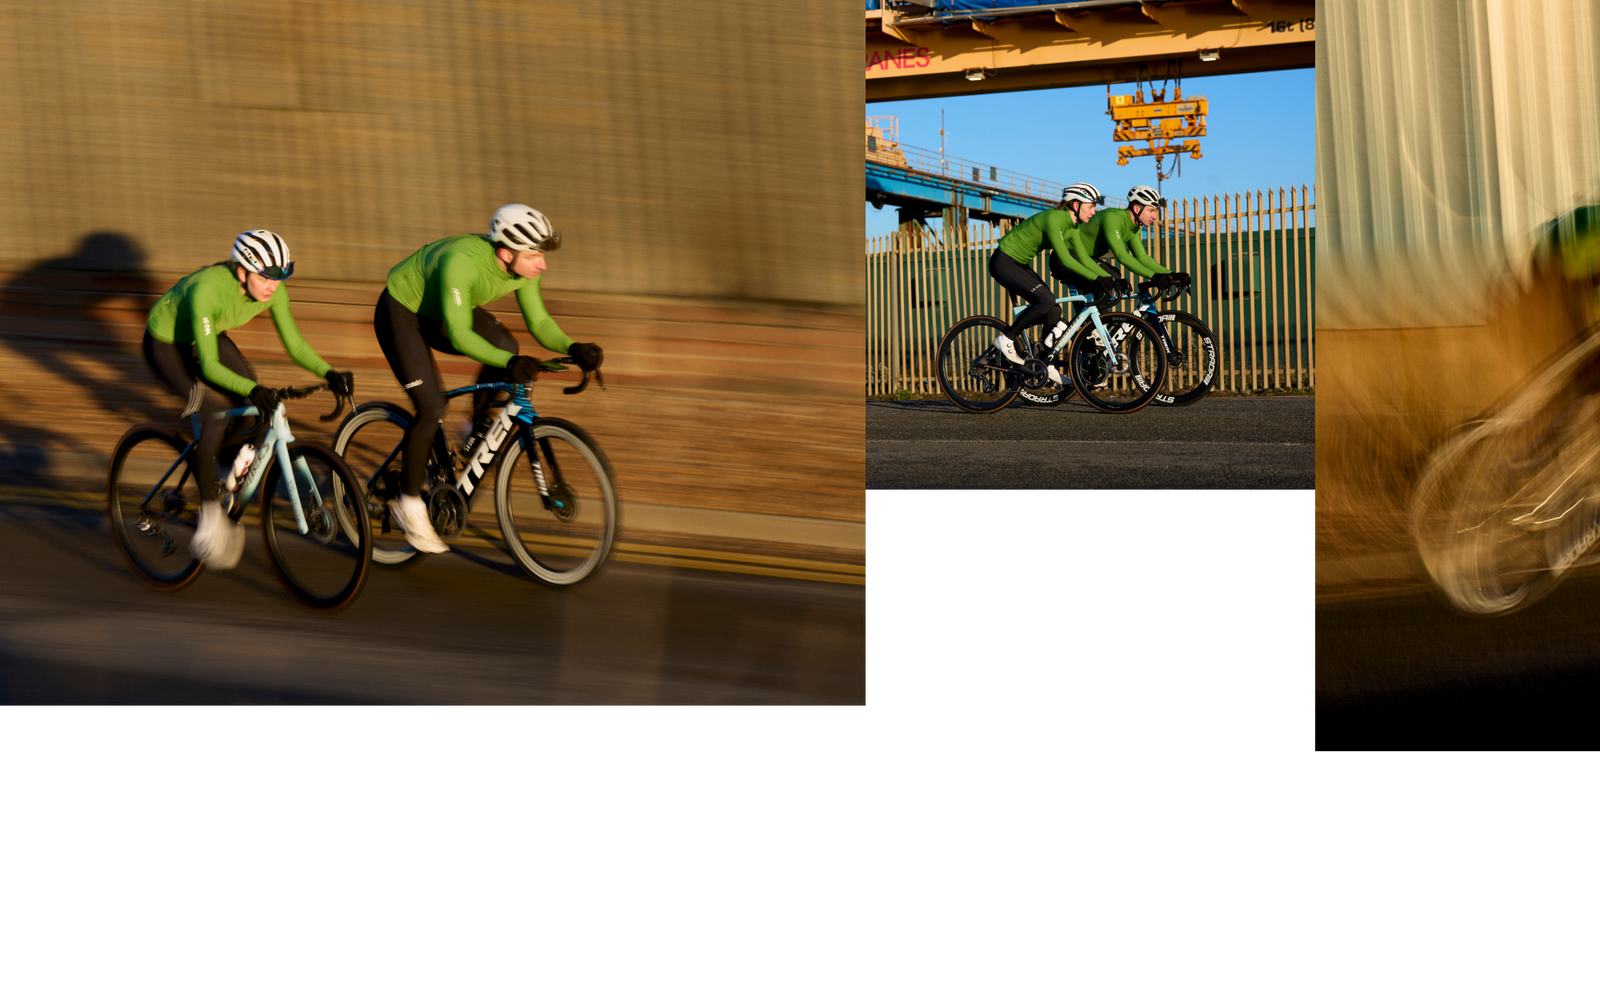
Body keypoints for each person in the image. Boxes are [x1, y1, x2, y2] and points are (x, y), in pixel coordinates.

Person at [375, 204, 603, 554]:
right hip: (401, 312)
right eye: (533, 255)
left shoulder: (525, 269)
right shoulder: (461, 261)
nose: (541, 264)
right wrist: (510, 363)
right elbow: (460, 334)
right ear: (505, 253)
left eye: (541, 254)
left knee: (504, 343)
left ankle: (473, 430)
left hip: (440, 311)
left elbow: (539, 323)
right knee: (432, 404)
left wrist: (574, 346)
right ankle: (408, 504)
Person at [143, 230, 351, 570]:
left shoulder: (273, 291)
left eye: (280, 277)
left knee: (252, 392)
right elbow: (209, 365)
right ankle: (210, 516)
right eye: (265, 277)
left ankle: (223, 472)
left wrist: (329, 373)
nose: (273, 286)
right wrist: (254, 391)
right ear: (242, 272)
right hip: (166, 345)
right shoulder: (208, 289)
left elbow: (295, 346)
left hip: (204, 337)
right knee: (212, 415)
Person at [990, 182, 1117, 388]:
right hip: (1003, 262)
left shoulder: (1072, 226)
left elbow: (1083, 258)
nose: (1094, 212)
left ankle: (1046, 363)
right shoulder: (1054, 219)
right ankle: (1007, 339)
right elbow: (1066, 260)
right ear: (1075, 205)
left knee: (1053, 309)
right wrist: (1096, 279)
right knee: (1046, 299)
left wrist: (1108, 278)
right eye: (1090, 206)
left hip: (1018, 263)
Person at [1061, 184, 1191, 300]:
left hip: (1084, 260)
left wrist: (1170, 274)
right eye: (1151, 210)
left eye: (1155, 212)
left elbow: (1142, 257)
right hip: (1067, 258)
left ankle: (1090, 325)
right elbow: (1122, 255)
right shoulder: (1112, 218)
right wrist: (1155, 276)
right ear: (1136, 209)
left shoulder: (1134, 228)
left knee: (1109, 289)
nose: (1155, 216)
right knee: (1113, 276)